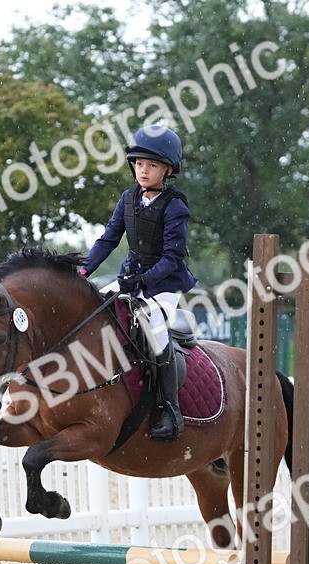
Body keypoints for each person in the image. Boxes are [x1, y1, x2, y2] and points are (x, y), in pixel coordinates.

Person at [81, 125, 196, 442]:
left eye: (153, 165)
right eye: (140, 164)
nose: (144, 170)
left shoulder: (175, 206)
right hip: (131, 278)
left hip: (163, 285)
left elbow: (173, 258)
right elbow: (107, 240)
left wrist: (142, 279)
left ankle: (170, 411)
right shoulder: (127, 198)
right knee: (95, 313)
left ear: (167, 169)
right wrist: (83, 272)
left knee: (157, 335)